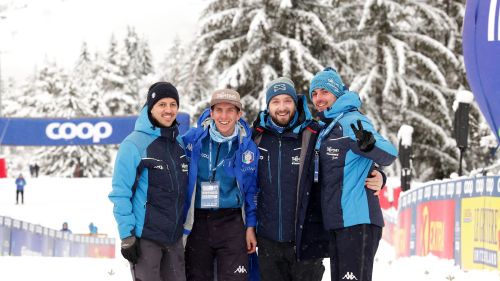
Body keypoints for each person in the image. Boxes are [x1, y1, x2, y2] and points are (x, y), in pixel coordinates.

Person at [251, 77, 386, 281]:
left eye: (287, 100)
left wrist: (379, 174)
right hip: (269, 242)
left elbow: (346, 159)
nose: (281, 107)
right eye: (275, 101)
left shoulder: (315, 132)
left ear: (296, 103)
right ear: (268, 105)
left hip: (306, 242)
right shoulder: (256, 137)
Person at [309, 67, 397, 281]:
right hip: (339, 223)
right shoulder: (328, 125)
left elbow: (389, 153)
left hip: (357, 220)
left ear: (337, 93)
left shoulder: (351, 121)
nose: (319, 98)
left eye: (324, 92)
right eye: (314, 93)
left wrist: (369, 146)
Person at [109, 82, 188, 281]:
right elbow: (120, 193)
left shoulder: (178, 143)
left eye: (173, 104)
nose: (168, 110)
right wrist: (127, 236)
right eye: (162, 104)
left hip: (174, 239)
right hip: (146, 240)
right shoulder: (133, 144)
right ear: (150, 107)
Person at [182, 89, 258, 281]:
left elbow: (251, 191)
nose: (224, 116)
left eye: (230, 110)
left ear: (239, 114)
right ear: (211, 112)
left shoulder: (247, 147)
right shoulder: (193, 139)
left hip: (231, 222)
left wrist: (250, 226)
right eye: (219, 110)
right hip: (198, 221)